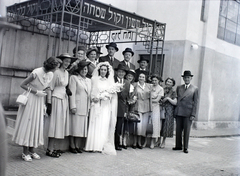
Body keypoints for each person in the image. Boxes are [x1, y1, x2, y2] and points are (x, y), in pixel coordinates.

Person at [12, 57, 58, 161]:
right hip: (31, 100)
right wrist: (36, 92)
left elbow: (45, 86)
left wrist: (45, 95)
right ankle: (25, 152)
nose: (55, 69)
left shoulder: (50, 74)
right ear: (50, 66)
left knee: (36, 124)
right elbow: (22, 85)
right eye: (55, 67)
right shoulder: (36, 73)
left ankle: (32, 150)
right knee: (28, 124)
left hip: (39, 100)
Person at [85, 62, 119, 155]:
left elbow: (112, 94)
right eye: (102, 69)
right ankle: (93, 146)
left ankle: (101, 146)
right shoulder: (94, 79)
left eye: (105, 70)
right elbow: (91, 91)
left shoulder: (110, 81)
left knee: (104, 124)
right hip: (96, 105)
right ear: (99, 70)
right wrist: (94, 98)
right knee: (95, 124)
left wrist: (106, 96)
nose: (103, 71)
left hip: (105, 106)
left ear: (107, 71)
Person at [46, 53, 75, 157]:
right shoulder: (56, 72)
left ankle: (55, 147)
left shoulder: (67, 73)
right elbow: (50, 87)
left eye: (69, 61)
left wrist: (67, 91)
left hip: (64, 99)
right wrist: (49, 103)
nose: (67, 63)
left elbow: (65, 86)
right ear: (61, 61)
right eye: (66, 61)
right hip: (56, 99)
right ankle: (49, 149)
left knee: (60, 124)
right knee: (54, 123)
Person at [173, 70, 199, 154]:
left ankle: (185, 147)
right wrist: (175, 111)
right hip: (179, 111)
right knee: (178, 130)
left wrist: (193, 114)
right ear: (183, 78)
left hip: (188, 113)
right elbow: (177, 99)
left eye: (188, 77)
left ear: (191, 78)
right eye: (185, 77)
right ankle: (178, 146)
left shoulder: (194, 88)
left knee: (186, 131)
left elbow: (196, 102)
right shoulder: (179, 87)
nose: (186, 79)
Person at [68, 61, 91, 153]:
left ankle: (77, 145)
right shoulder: (74, 78)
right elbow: (72, 93)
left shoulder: (89, 80)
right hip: (77, 105)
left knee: (81, 127)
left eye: (85, 69)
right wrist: (72, 106)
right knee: (74, 126)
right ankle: (72, 145)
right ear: (79, 70)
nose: (84, 71)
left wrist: (89, 107)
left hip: (85, 106)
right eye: (82, 69)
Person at [132, 73, 152, 149]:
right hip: (138, 106)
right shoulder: (135, 85)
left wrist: (150, 109)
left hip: (146, 107)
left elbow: (150, 97)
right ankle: (134, 142)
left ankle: (139, 142)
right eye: (140, 76)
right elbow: (132, 95)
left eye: (143, 77)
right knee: (137, 126)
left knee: (143, 126)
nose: (141, 78)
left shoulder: (149, 86)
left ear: (145, 78)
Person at [114, 64, 130, 150]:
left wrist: (125, 110)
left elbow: (126, 96)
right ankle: (111, 142)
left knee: (119, 126)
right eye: (119, 71)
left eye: (123, 72)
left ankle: (117, 143)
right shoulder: (113, 80)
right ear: (116, 72)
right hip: (112, 105)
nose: (121, 73)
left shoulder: (127, 82)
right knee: (112, 125)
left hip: (121, 107)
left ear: (125, 73)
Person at [159, 77, 177, 148]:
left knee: (166, 125)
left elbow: (175, 102)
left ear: (172, 84)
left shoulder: (173, 92)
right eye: (167, 82)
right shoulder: (162, 89)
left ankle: (163, 141)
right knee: (160, 124)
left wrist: (168, 98)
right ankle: (158, 140)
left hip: (169, 109)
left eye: (170, 82)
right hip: (161, 108)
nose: (168, 83)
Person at [149, 74, 164, 149]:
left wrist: (149, 100)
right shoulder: (149, 86)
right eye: (153, 80)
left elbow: (157, 100)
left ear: (158, 81)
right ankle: (146, 141)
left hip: (155, 108)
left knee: (155, 123)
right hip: (148, 107)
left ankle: (153, 141)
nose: (154, 82)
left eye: (156, 80)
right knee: (148, 123)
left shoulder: (161, 89)